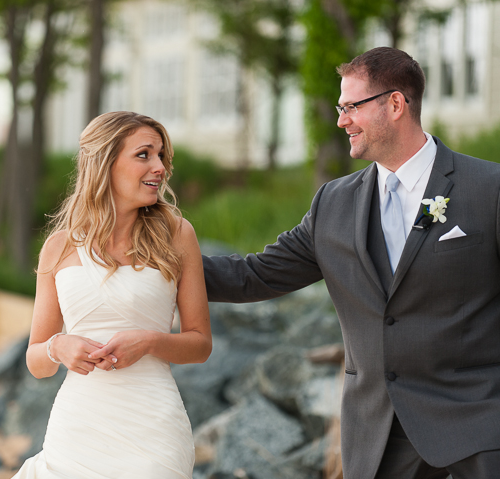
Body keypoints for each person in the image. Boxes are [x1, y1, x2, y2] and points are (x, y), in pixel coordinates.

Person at [202, 47, 500, 479]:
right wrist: (154, 259)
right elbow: (255, 276)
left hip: (479, 430)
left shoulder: (488, 188)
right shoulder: (333, 203)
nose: (341, 120)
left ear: (395, 104)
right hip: (376, 437)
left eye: (351, 107)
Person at [12, 111, 212, 479]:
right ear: (105, 162)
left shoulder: (178, 235)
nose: (160, 168)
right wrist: (59, 347)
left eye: (161, 156)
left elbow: (200, 344)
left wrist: (150, 342)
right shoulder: (59, 247)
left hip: (153, 429)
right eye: (144, 155)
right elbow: (36, 361)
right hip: (77, 429)